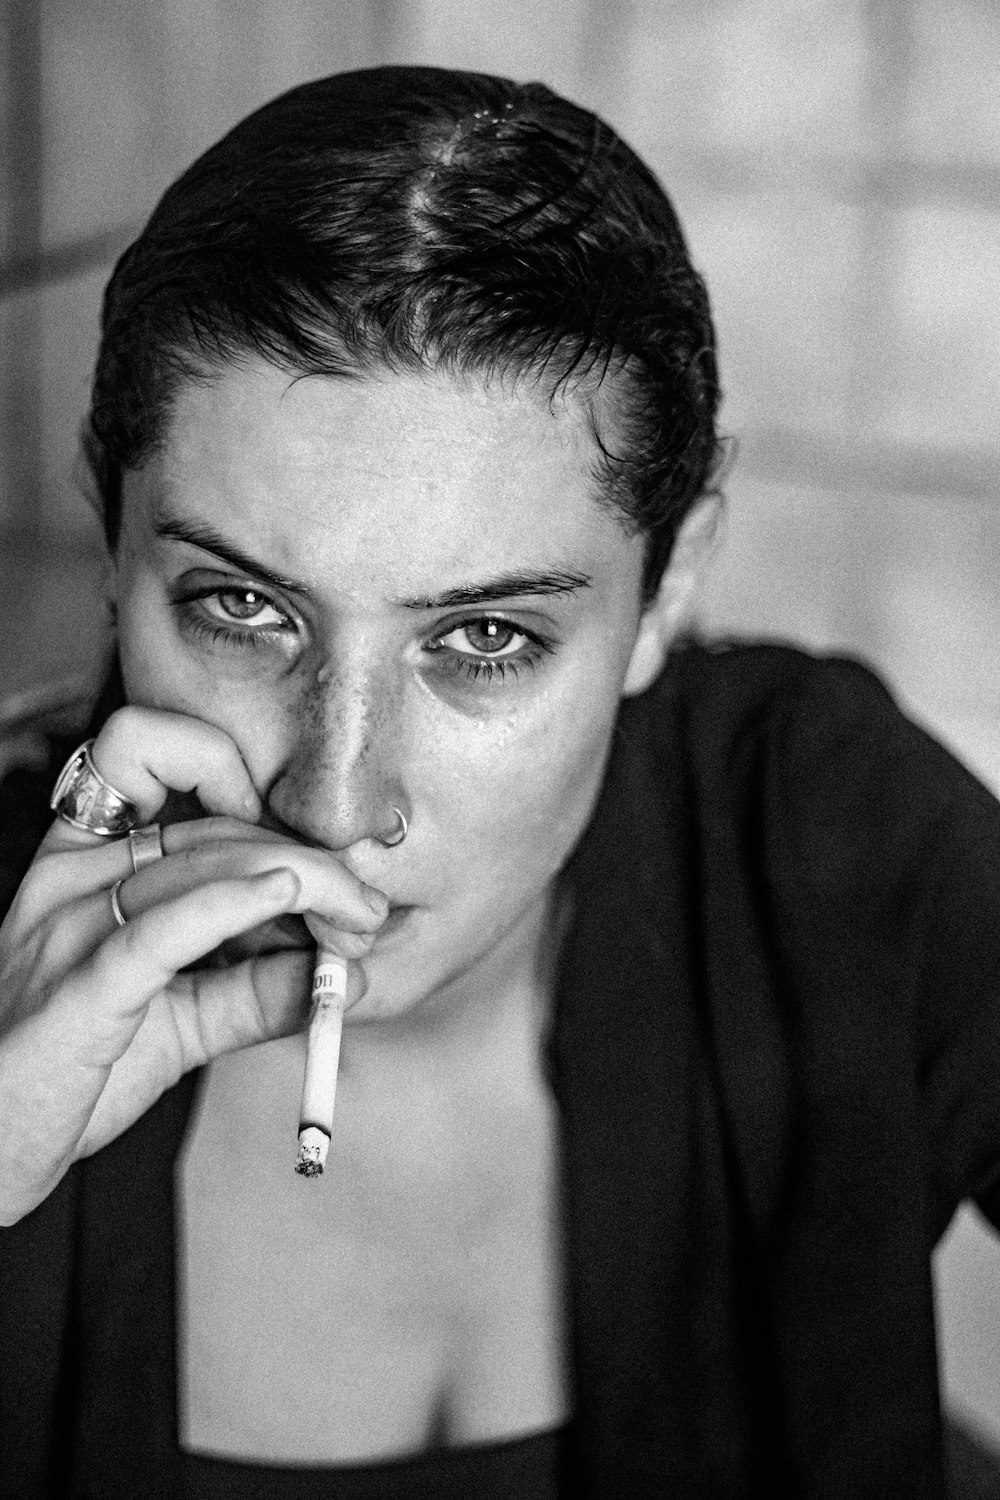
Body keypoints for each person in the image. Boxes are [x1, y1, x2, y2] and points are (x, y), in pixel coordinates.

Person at [0, 65, 997, 1500]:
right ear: (112, 540)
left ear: (670, 588)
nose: (335, 802)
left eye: (483, 639)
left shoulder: (818, 828)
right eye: (240, 607)